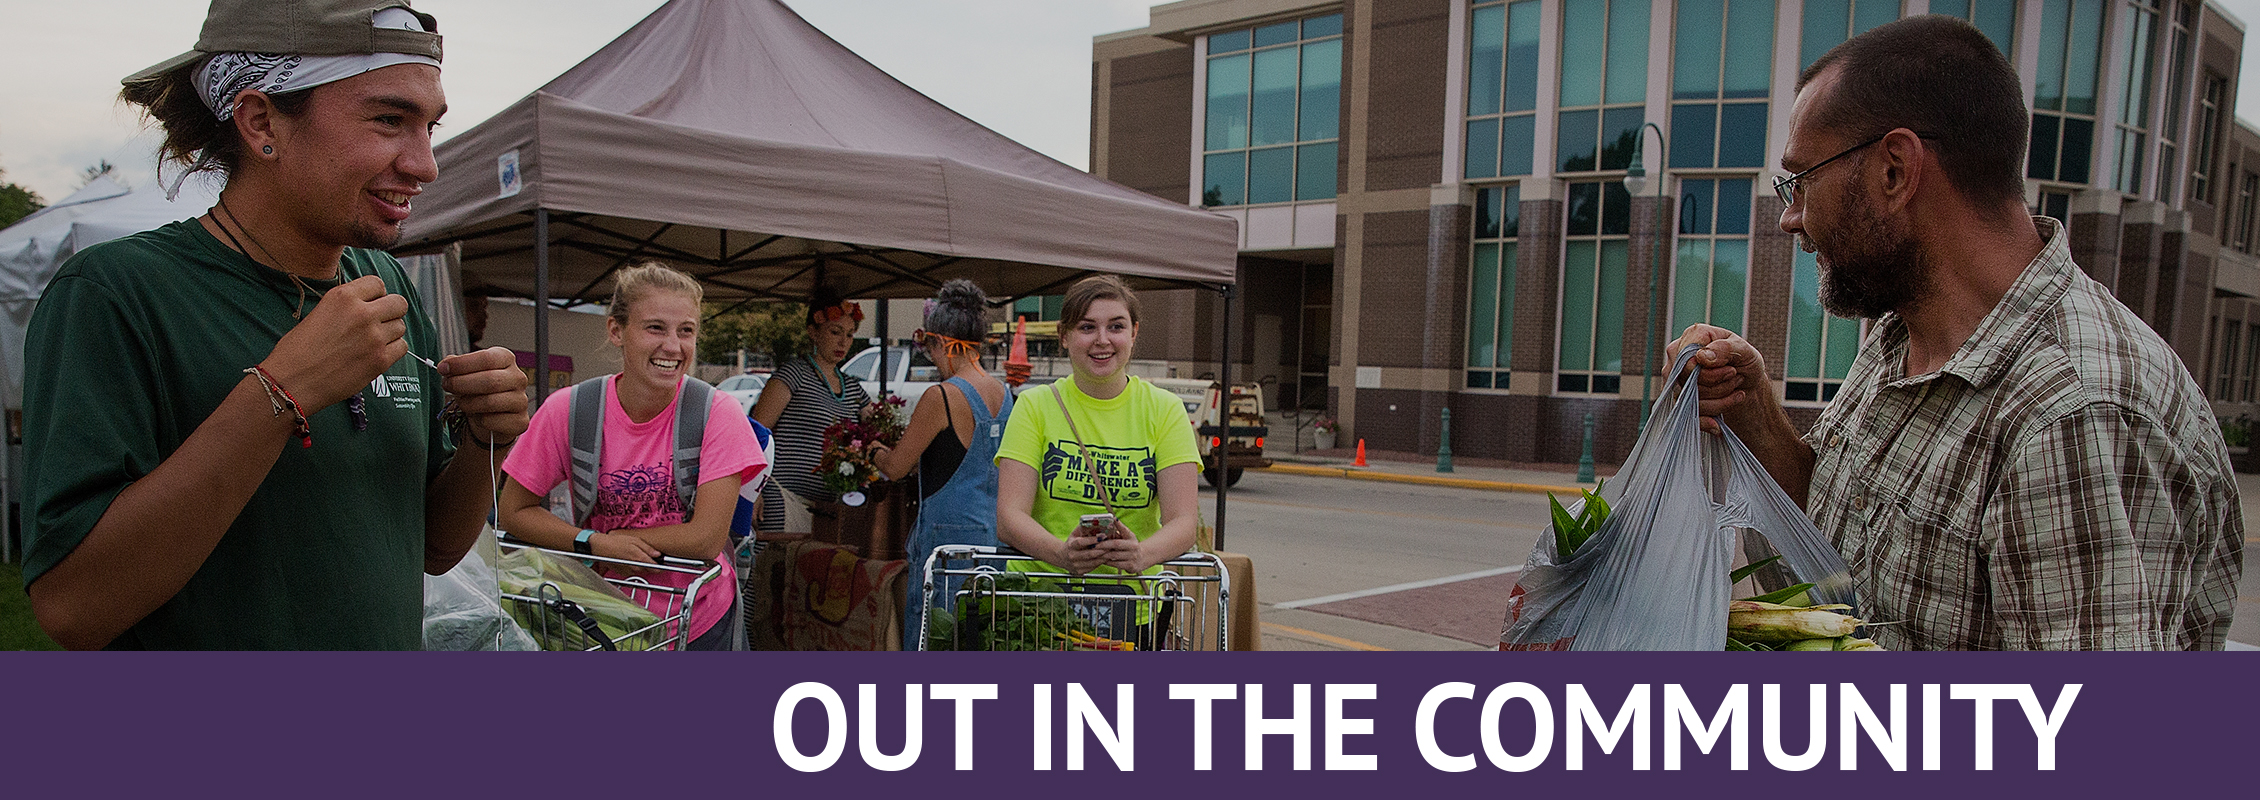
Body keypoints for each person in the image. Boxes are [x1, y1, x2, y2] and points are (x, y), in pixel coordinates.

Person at [1670, 15, 2241, 650]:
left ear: (1895, 171)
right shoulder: (1901, 335)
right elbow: (1834, 550)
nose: (1790, 218)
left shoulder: (2071, 415)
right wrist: (1754, 412)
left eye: (1801, 181)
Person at [19, 0, 531, 650]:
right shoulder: (117, 293)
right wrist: (278, 394)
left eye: (429, 126)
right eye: (389, 120)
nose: (426, 163)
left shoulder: (388, 287)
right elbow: (72, 607)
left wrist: (490, 438)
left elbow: (430, 546)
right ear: (262, 121)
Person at [496, 262, 764, 650]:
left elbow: (706, 538)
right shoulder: (570, 411)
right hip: (604, 617)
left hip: (699, 620)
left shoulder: (715, 413)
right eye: (655, 327)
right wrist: (593, 542)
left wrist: (618, 539)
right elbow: (514, 510)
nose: (673, 346)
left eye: (685, 331)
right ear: (616, 331)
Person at [995, 275, 1201, 642]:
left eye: (1116, 327)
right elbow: (1010, 517)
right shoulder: (1034, 406)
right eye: (1087, 327)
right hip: (1037, 608)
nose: (1102, 340)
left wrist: (1142, 554)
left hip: (1130, 609)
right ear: (1065, 336)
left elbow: (1184, 521)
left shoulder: (1164, 410)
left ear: (1134, 333)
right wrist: (1061, 554)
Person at [869, 279, 1014, 649]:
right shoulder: (1004, 394)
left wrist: (874, 452)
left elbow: (897, 466)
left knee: (933, 639)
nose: (930, 357)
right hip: (994, 538)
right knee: (981, 638)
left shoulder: (941, 396)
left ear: (944, 344)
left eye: (929, 345)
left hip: (946, 541)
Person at [749, 286, 872, 533]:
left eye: (849, 335)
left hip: (830, 508)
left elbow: (879, 430)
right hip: (783, 497)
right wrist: (751, 491)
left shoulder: (853, 387)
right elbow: (753, 434)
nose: (843, 342)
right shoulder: (793, 374)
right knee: (776, 567)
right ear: (813, 332)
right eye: (835, 332)